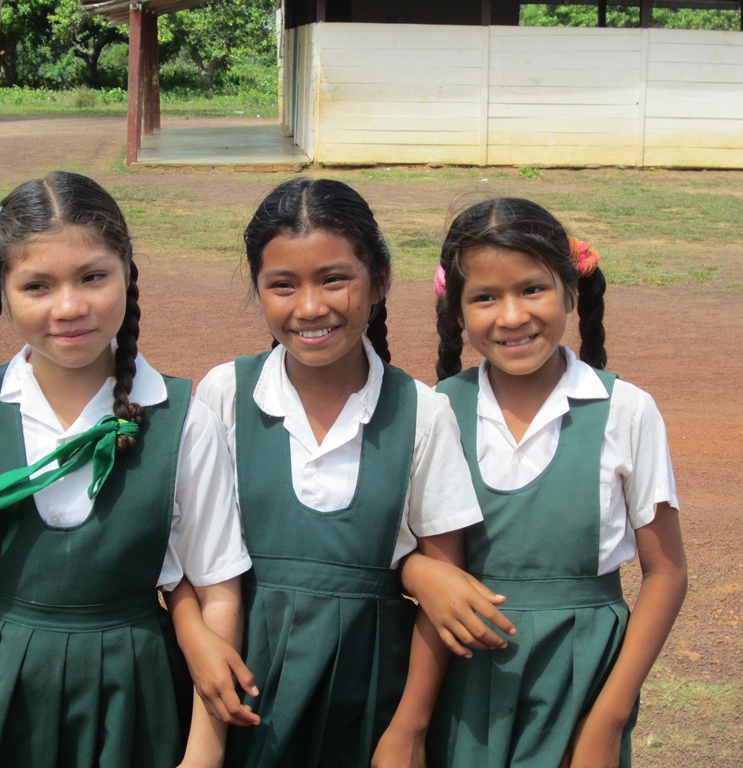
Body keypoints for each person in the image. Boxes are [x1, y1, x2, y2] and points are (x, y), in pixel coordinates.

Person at [0, 171, 253, 768]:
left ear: (128, 273)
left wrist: (202, 755)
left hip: (134, 696)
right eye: (37, 285)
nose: (70, 307)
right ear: (1, 293)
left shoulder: (184, 422)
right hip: (2, 690)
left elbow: (219, 593)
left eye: (93, 276)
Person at [192, 177, 515, 768]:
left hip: (369, 704)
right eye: (282, 285)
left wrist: (409, 731)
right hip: (236, 696)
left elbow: (444, 590)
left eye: (334, 278)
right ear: (258, 290)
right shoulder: (223, 396)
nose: (310, 307)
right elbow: (192, 560)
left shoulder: (421, 412)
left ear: (380, 280)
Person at [421, 197, 688, 768]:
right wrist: (420, 572)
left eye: (532, 289)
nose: (512, 316)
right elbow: (402, 553)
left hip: (581, 680)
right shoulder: (437, 411)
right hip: (459, 680)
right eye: (485, 297)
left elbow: (666, 572)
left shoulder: (627, 411)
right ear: (458, 311)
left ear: (571, 290)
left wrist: (607, 720)